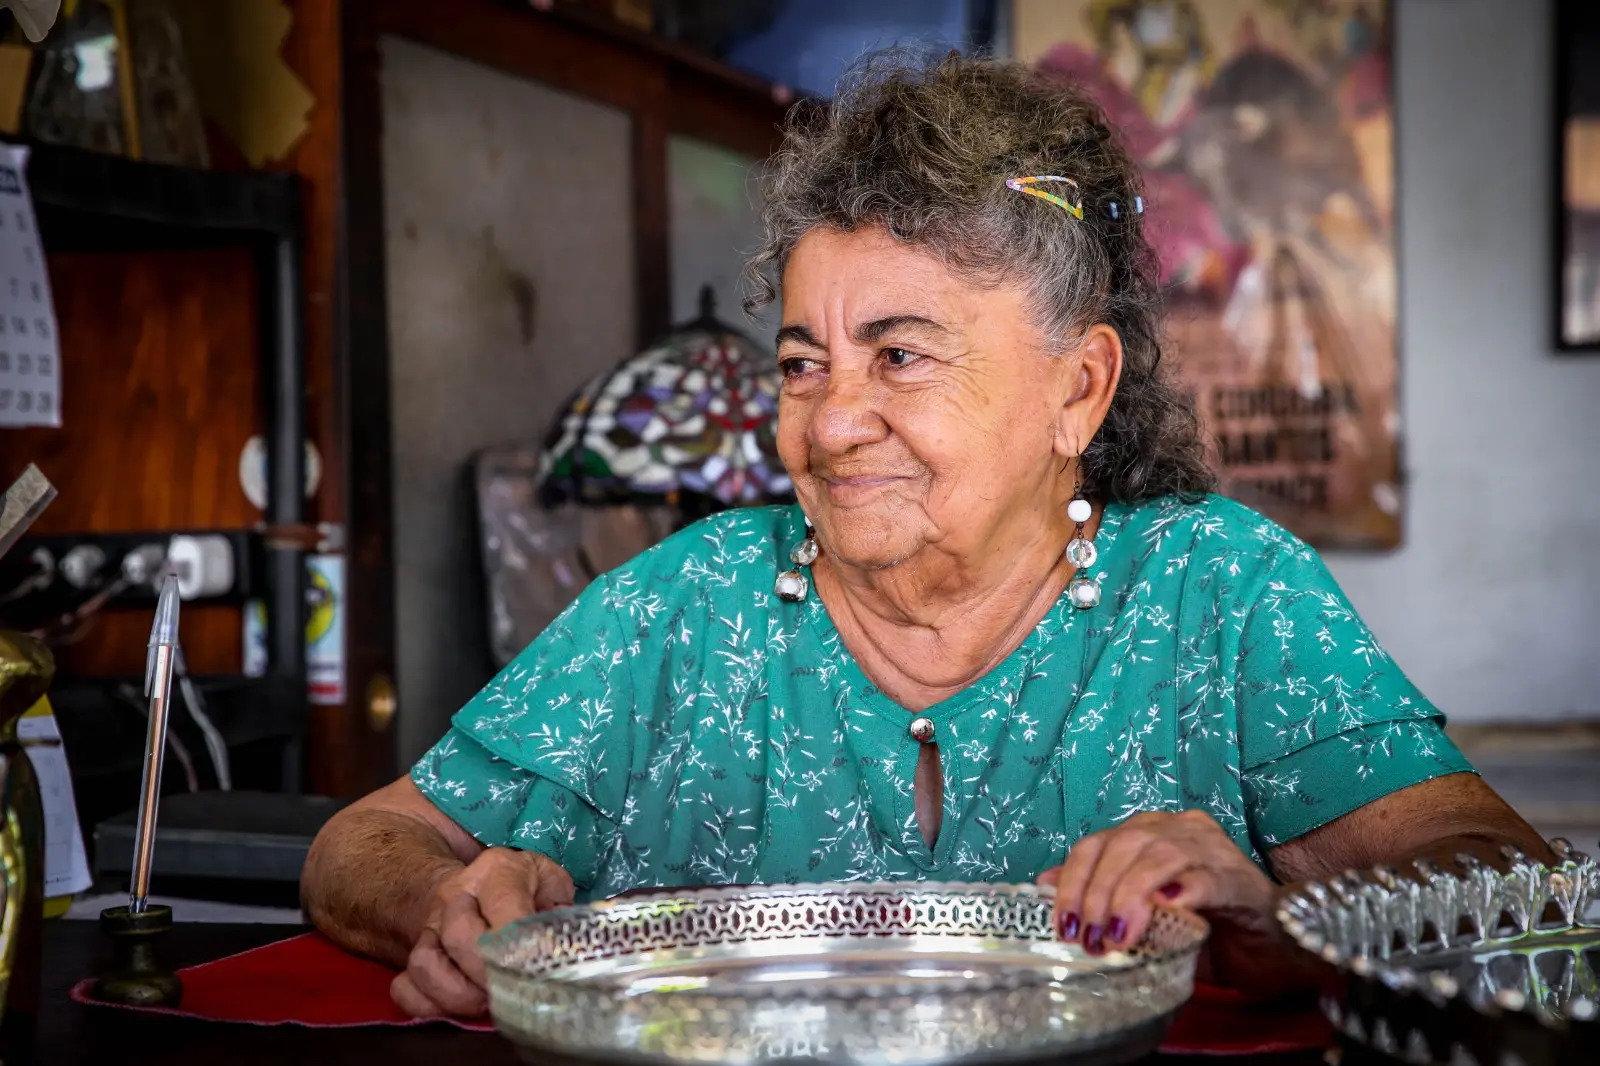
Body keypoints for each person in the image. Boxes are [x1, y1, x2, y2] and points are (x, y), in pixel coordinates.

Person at [302, 54, 1546, 1019]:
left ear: (1078, 389)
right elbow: (360, 846)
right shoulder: (680, 607)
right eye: (803, 362)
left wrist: (1283, 920)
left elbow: (1508, 882)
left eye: (899, 355)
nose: (832, 420)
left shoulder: (1219, 592)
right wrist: (448, 901)